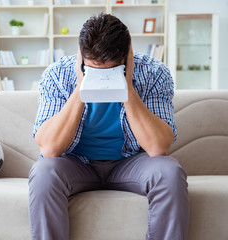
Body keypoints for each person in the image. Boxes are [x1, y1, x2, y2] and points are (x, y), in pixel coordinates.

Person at [29, 13, 189, 240]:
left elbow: (158, 148)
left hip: (130, 162)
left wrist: (127, 87)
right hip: (76, 164)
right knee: (43, 172)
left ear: (127, 56)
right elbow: (49, 148)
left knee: (170, 172)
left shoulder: (153, 73)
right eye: (94, 69)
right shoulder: (57, 75)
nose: (102, 78)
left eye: (110, 70)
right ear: (81, 56)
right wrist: (81, 85)